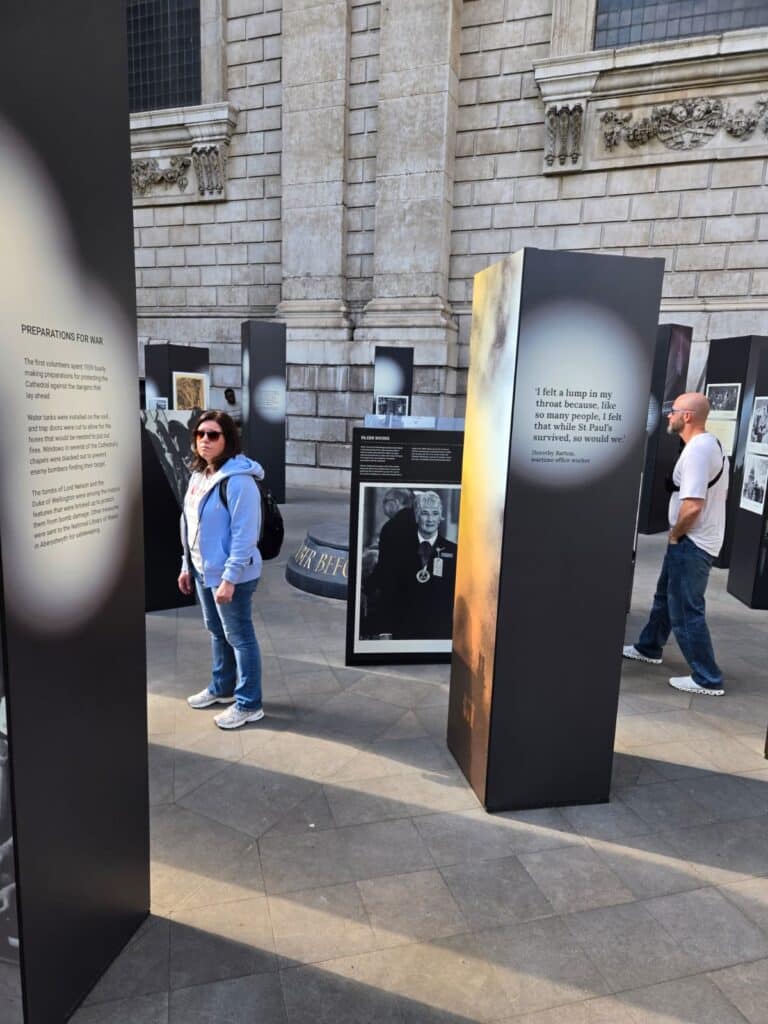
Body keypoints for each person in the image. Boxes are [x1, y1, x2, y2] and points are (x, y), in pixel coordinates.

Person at [624, 392, 729, 695]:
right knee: (663, 599)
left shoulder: (698, 451)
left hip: (691, 541)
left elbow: (693, 506)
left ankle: (707, 677)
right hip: (689, 539)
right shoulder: (707, 444)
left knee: (685, 610)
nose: (667, 415)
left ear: (687, 417)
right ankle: (649, 647)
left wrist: (675, 535)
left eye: (673, 411)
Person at [179, 410, 266, 729]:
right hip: (203, 571)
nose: (205, 440)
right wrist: (186, 564)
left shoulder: (240, 482)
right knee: (217, 632)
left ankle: (249, 703)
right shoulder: (198, 475)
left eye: (213, 435)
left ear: (227, 440)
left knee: (240, 637)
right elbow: (188, 523)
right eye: (200, 434)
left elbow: (246, 536)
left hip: (234, 576)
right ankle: (222, 687)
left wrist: (229, 579)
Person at [373, 490, 458, 640]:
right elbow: (388, 590)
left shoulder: (454, 551)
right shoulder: (399, 549)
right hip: (404, 631)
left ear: (441, 518)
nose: (430, 519)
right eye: (425, 513)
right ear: (417, 517)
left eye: (435, 513)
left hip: (440, 633)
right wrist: (384, 630)